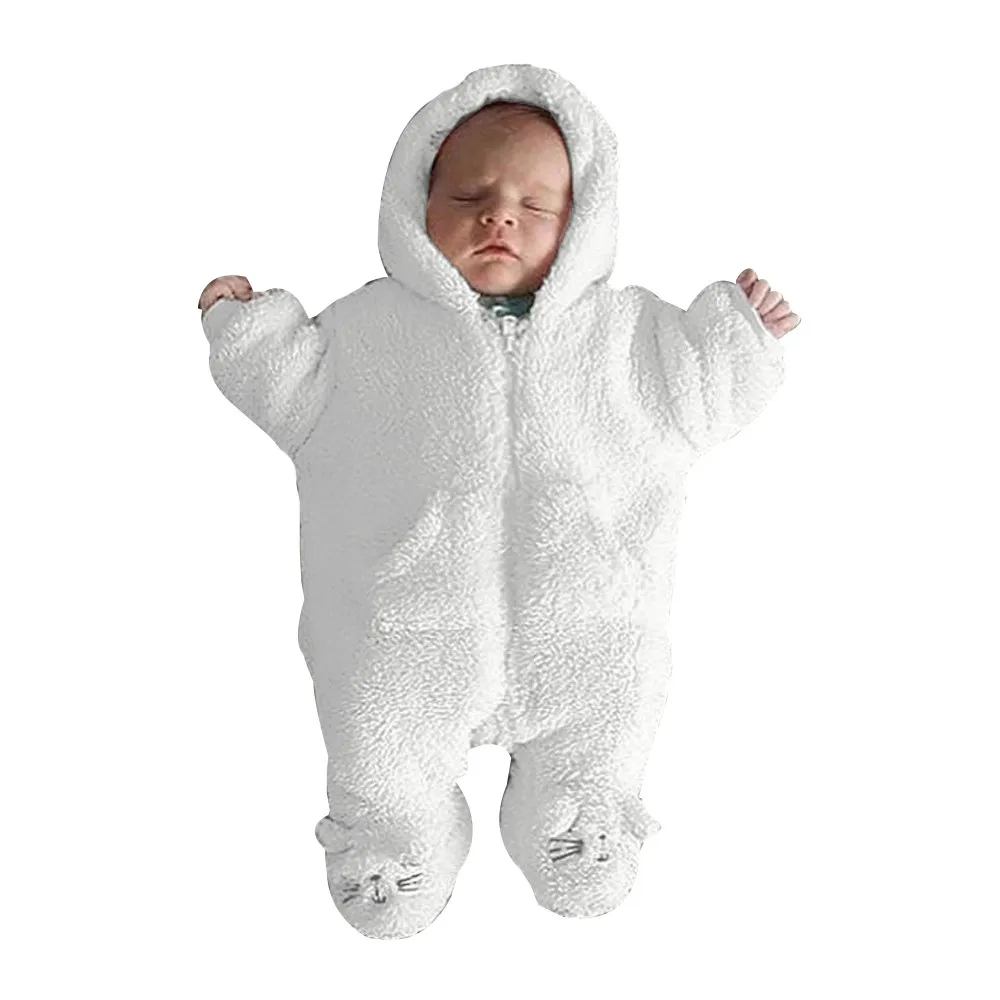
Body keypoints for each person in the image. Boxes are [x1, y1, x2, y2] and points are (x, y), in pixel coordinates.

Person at [198, 63, 801, 940]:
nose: (498, 217)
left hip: (588, 626)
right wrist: (248, 329)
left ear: (585, 220)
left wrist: (742, 335)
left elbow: (711, 392)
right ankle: (395, 834)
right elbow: (288, 387)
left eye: (535, 204)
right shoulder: (368, 335)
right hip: (404, 631)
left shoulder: (629, 336)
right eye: (469, 196)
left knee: (616, 705)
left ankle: (579, 812)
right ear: (415, 208)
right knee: (376, 730)